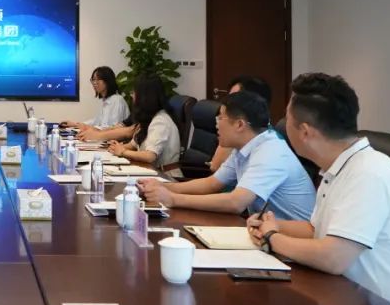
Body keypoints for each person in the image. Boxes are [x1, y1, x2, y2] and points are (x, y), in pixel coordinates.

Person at [247, 73, 390, 305]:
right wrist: (273, 225)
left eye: (287, 118)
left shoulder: (369, 172)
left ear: (305, 131)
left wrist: (273, 238)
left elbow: (333, 257)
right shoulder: (338, 167)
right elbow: (317, 230)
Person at [138, 90, 314, 219]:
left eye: (220, 118)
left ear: (239, 125)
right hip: (264, 232)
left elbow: (236, 203)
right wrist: (163, 186)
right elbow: (212, 184)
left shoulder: (270, 152)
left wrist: (173, 199)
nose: (216, 124)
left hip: (292, 244)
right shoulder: (243, 147)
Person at [104, 74, 183, 177]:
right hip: (150, 172)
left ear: (144, 97)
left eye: (134, 92)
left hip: (165, 176)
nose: (132, 96)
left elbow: (149, 156)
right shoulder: (148, 118)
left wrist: (123, 152)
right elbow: (133, 145)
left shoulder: (160, 121)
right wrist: (115, 147)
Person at [209, 75, 272, 172]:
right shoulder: (243, 135)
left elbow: (215, 166)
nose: (229, 102)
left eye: (235, 97)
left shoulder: (267, 149)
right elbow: (217, 175)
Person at [63, 66, 130, 130]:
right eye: (93, 80)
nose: (94, 83)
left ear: (108, 81)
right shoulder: (106, 101)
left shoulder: (117, 100)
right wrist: (75, 124)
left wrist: (85, 127)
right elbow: (96, 122)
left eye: (98, 79)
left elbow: (113, 128)